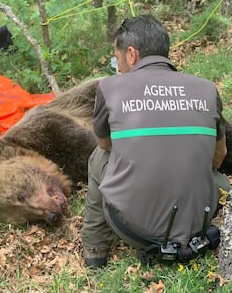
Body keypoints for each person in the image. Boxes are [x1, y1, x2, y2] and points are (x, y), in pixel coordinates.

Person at [81, 14, 230, 268]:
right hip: (200, 223)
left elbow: (105, 145)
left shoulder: (109, 88)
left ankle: (95, 251)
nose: (116, 66)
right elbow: (219, 155)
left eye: (116, 59)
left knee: (98, 158)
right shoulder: (206, 89)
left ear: (131, 54)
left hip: (134, 229)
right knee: (216, 177)